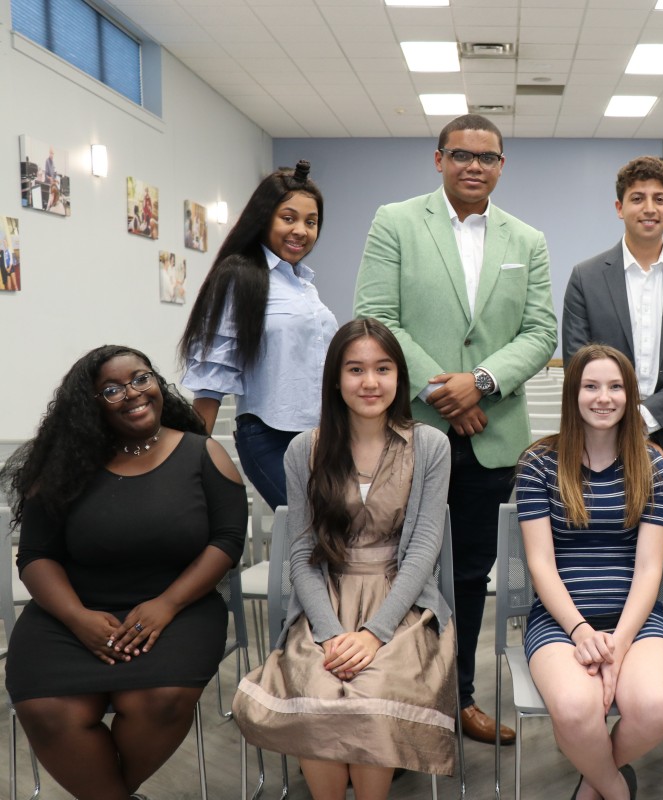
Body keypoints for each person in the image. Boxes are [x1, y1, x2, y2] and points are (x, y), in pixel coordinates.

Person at [353, 113, 557, 746]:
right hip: (410, 430)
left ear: (501, 166)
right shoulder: (395, 221)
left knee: (469, 575)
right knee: (393, 568)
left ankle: (459, 698)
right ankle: (396, 696)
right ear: (438, 159)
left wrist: (483, 384)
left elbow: (541, 332)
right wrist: (447, 390)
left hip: (493, 436)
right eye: (462, 154)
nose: (475, 165)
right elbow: (376, 316)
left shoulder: (527, 239)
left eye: (488, 157)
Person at [0, 345, 246, 800]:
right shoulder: (62, 466)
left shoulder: (202, 453)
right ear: (88, 406)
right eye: (111, 389)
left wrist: (166, 605)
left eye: (141, 378)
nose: (133, 393)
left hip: (178, 607)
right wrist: (77, 618)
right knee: (49, 709)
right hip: (72, 612)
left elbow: (227, 542)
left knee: (157, 699)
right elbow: (35, 555)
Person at [234, 319, 457, 798]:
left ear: (400, 376)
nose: (370, 382)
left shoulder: (431, 445)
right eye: (355, 369)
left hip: (403, 601)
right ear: (335, 378)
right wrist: (332, 633)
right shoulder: (304, 450)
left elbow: (422, 549)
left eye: (383, 368)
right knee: (317, 691)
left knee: (372, 699)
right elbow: (302, 552)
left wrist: (375, 634)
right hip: (325, 601)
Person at [560, 155, 663, 742]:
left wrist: (646, 417)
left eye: (660, 198)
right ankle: (598, 676)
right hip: (597, 447)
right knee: (604, 565)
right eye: (638, 198)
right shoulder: (587, 275)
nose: (649, 208)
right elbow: (580, 359)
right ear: (619, 206)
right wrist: (621, 420)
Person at [517, 344, 663, 800]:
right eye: (591, 386)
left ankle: (592, 785)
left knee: (653, 709)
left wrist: (620, 642)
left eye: (615, 386)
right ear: (573, 394)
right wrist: (582, 631)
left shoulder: (654, 465)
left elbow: (650, 569)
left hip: (637, 619)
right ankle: (616, 788)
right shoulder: (538, 465)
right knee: (573, 711)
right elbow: (540, 565)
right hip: (560, 620)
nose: (603, 397)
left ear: (631, 396)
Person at [180, 160, 338, 510]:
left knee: (333, 541)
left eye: (311, 222)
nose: (301, 230)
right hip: (269, 438)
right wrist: (187, 465)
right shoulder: (238, 277)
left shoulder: (304, 286)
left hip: (323, 439)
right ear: (264, 217)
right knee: (316, 532)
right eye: (288, 218)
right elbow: (211, 378)